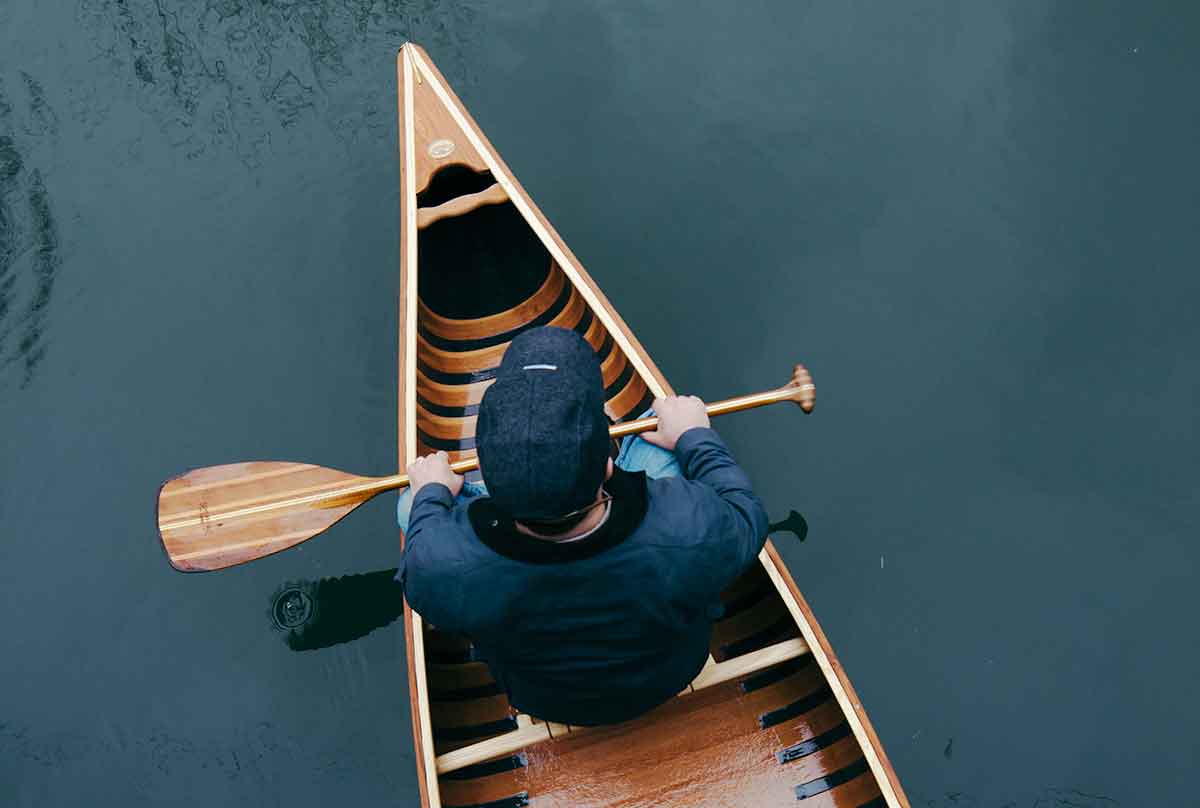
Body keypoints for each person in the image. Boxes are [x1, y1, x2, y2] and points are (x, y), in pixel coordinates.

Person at [397, 326, 781, 727]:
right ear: (608, 464)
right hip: (670, 676)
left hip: (546, 702)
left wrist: (432, 493)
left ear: (487, 483)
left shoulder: (437, 567)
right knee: (659, 419)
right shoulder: (688, 524)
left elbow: (423, 564)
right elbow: (746, 514)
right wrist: (695, 437)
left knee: (411, 505)